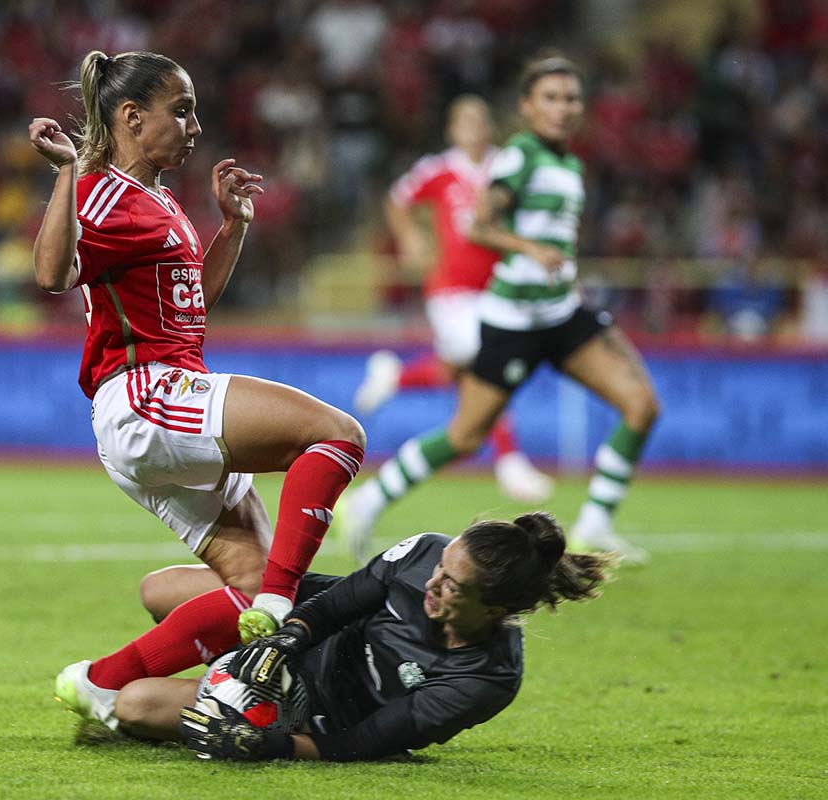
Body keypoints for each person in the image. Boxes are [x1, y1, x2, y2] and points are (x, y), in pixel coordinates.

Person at [30, 50, 366, 729]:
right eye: (180, 110)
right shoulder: (101, 191)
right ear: (130, 117)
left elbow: (191, 308)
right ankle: (277, 607)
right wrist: (68, 170)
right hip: (146, 395)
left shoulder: (154, 199)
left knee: (246, 582)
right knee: (337, 436)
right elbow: (52, 274)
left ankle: (101, 683)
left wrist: (232, 228)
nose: (195, 125)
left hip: (155, 400)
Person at [339, 54, 660, 564]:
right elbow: (478, 226)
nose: (562, 108)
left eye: (571, 98)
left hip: (561, 315)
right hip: (514, 321)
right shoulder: (519, 158)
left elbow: (559, 245)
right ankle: (370, 499)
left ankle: (595, 525)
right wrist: (529, 249)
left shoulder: (569, 164)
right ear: (528, 106)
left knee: (642, 405)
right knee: (466, 435)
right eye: (550, 98)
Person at [107, 512, 611, 761]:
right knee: (160, 589)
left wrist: (270, 745)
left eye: (453, 585)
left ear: (494, 609)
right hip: (314, 627)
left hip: (319, 703)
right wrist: (286, 639)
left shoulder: (486, 677)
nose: (433, 581)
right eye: (441, 567)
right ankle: (230, 669)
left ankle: (235, 695)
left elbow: (372, 740)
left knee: (134, 706)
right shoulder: (425, 553)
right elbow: (338, 603)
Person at [352, 95, 554, 536]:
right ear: (452, 130)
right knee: (487, 362)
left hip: (498, 287)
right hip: (450, 290)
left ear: (489, 127)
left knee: (465, 372)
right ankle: (509, 460)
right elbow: (396, 198)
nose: (473, 130)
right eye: (465, 123)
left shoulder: (506, 166)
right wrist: (408, 236)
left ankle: (397, 379)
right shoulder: (437, 169)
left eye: (480, 122)